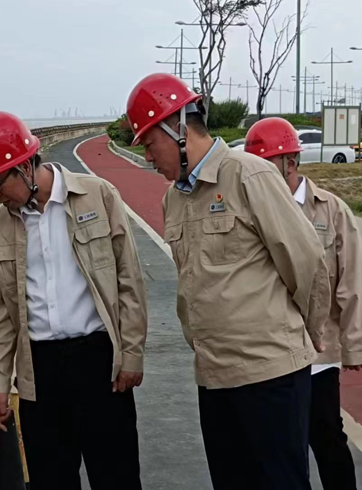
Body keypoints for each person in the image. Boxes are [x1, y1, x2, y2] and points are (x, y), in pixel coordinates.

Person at [126, 73, 331, 490]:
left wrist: (303, 333)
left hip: (269, 374)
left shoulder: (248, 175)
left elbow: (306, 261)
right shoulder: (174, 199)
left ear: (179, 129)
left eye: (149, 143)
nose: (147, 157)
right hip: (214, 376)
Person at [0, 112, 148, 490]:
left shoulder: (98, 195)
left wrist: (132, 353)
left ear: (24, 168)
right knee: (51, 480)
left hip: (99, 363)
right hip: (39, 371)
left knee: (116, 476)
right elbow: (0, 314)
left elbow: (129, 281)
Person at [245, 117, 362, 490]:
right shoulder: (250, 210)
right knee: (281, 445)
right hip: (268, 351)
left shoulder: (330, 210)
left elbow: (352, 279)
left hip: (318, 352)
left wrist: (354, 344)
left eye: (267, 166)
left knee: (327, 435)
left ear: (290, 162)